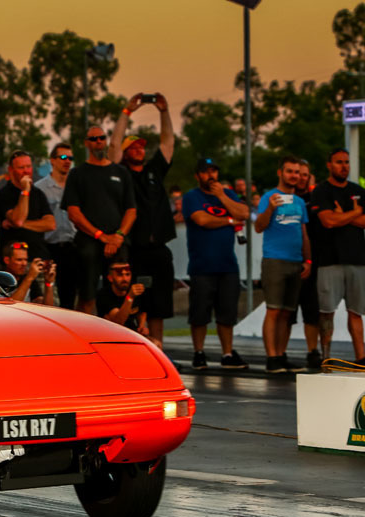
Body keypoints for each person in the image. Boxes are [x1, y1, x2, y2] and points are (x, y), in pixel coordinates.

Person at [110, 93, 177, 348]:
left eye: (141, 147)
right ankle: (135, 349)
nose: (139, 150)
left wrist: (164, 111)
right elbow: (114, 146)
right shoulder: (121, 173)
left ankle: (159, 350)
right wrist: (126, 112)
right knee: (136, 301)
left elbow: (168, 143)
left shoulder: (153, 171)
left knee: (159, 305)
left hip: (159, 248)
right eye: (133, 147)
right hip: (134, 249)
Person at [182, 158, 250, 370]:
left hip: (227, 264)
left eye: (213, 171)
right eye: (205, 172)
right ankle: (199, 352)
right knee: (199, 314)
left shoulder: (227, 194)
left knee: (227, 314)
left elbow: (244, 213)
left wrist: (221, 196)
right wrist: (229, 221)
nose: (210, 175)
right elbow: (202, 220)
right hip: (202, 265)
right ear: (197, 176)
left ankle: (227, 354)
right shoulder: (192, 196)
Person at [60, 126, 136, 315]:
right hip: (89, 244)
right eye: (93, 139)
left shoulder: (121, 172)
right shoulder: (78, 174)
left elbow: (131, 210)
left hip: (118, 243)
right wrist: (101, 236)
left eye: (101, 137)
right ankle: (83, 331)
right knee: (87, 298)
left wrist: (118, 236)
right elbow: (73, 213)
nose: (98, 141)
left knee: (121, 295)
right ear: (86, 143)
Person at [254, 156, 312, 373]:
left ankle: (281, 354)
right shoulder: (269, 197)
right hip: (275, 260)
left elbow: (303, 233)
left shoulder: (299, 202)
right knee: (274, 310)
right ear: (280, 173)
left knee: (287, 313)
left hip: (296, 261)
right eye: (290, 171)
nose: (294, 175)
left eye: (297, 172)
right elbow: (258, 227)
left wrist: (308, 260)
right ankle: (272, 358)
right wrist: (270, 208)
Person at [310, 148, 365, 363]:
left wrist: (343, 216)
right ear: (329, 165)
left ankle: (361, 357)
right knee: (327, 311)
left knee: (356, 311)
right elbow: (328, 221)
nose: (344, 166)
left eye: (347, 162)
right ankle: (326, 357)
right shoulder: (321, 191)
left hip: (357, 259)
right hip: (329, 259)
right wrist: (356, 212)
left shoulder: (358, 190)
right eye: (339, 162)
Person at [0, 150, 54, 269]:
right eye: (21, 168)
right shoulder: (4, 194)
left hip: (37, 259)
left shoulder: (38, 193)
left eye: (28, 166)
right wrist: (25, 191)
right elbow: (18, 219)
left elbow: (50, 224)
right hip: (12, 263)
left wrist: (22, 224)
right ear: (11, 170)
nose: (26, 171)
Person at [35, 143, 78, 309]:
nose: (67, 161)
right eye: (63, 157)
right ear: (52, 160)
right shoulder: (40, 188)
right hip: (50, 248)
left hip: (73, 247)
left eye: (70, 158)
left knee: (71, 297)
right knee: (51, 297)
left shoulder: (76, 186)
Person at [290, 158, 322, 368]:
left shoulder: (317, 197)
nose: (300, 178)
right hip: (289, 258)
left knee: (312, 309)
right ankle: (278, 354)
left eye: (304, 175)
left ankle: (313, 351)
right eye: (297, 174)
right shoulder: (285, 197)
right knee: (286, 311)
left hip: (313, 260)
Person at [97, 252, 149, 338]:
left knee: (156, 343)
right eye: (120, 275)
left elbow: (141, 310)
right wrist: (130, 297)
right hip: (111, 336)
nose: (125, 279)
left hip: (132, 334)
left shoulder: (135, 290)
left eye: (127, 274)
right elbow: (118, 321)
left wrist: (142, 325)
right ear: (110, 278)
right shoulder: (104, 295)